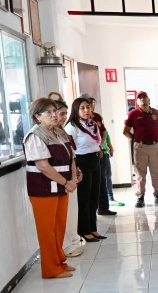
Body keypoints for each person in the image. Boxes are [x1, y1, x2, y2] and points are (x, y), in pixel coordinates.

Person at [24, 98, 80, 278]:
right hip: (43, 190)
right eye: (48, 112)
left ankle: (59, 261)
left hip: (61, 188)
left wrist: (73, 179)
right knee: (47, 230)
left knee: (59, 227)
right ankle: (50, 269)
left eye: (55, 111)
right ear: (37, 116)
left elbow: (71, 158)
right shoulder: (35, 136)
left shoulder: (59, 132)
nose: (54, 114)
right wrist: (66, 182)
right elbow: (43, 166)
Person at [65, 98, 106, 242]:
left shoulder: (92, 124)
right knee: (84, 197)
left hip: (95, 160)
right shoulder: (72, 126)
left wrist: (99, 150)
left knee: (94, 196)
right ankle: (84, 230)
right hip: (82, 161)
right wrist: (76, 168)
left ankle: (93, 228)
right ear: (76, 110)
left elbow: (97, 141)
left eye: (88, 107)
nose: (86, 110)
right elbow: (70, 149)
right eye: (82, 108)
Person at [123, 91, 158, 207]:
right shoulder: (133, 114)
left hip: (154, 147)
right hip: (140, 147)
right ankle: (140, 197)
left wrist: (155, 136)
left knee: (156, 172)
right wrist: (135, 139)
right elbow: (125, 131)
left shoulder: (156, 113)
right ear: (137, 101)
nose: (142, 100)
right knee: (140, 174)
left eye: (144, 97)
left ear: (149, 99)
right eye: (140, 98)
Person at [54, 100, 83, 258]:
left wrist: (76, 173)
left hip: (70, 180)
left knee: (72, 213)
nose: (64, 117)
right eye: (61, 114)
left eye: (66, 113)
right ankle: (66, 246)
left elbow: (71, 156)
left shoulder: (63, 133)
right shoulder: (49, 135)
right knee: (63, 216)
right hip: (60, 181)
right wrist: (67, 181)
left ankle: (74, 240)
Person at [82, 94, 117, 217]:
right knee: (93, 183)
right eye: (86, 104)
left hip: (101, 151)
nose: (90, 106)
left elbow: (104, 133)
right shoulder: (78, 121)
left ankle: (103, 207)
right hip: (87, 156)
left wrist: (104, 146)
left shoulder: (97, 116)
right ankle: (93, 209)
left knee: (103, 179)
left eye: (92, 103)